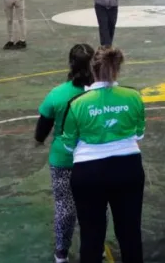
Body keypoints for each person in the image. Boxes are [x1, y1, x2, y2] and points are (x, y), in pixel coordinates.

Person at [62, 47, 146, 263]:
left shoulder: (78, 103)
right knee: (130, 234)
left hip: (89, 173)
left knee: (91, 236)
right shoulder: (133, 96)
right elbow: (139, 133)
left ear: (93, 70)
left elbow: (69, 145)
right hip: (128, 169)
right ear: (117, 70)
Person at [35, 44, 95, 263]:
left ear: (70, 64)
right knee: (95, 207)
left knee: (65, 208)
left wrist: (39, 140)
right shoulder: (99, 94)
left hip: (63, 160)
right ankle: (94, 248)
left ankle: (61, 253)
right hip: (94, 160)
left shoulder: (57, 94)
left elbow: (43, 126)